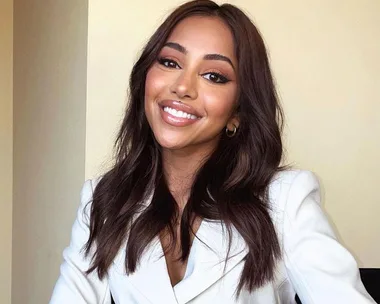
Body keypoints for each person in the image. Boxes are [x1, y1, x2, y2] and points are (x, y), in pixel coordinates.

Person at [50, 1, 376, 303]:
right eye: (169, 61)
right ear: (145, 80)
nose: (183, 87)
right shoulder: (103, 200)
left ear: (238, 112)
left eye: (213, 76)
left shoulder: (286, 200)